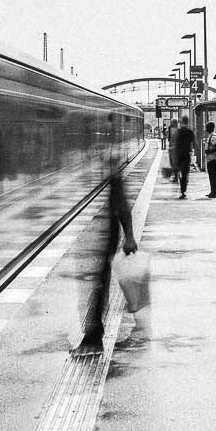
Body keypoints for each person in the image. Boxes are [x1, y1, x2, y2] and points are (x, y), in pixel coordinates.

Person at [75, 147, 139, 353]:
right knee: (98, 284)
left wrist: (129, 236)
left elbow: (121, 203)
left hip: (103, 238)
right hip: (96, 238)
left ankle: (93, 335)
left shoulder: (108, 163)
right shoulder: (103, 162)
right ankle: (93, 332)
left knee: (99, 284)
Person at [173, 116, 196, 198]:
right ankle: (183, 191)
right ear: (188, 122)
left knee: (179, 171)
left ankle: (181, 185)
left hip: (179, 155)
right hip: (186, 155)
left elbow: (175, 143)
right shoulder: (190, 131)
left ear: (182, 122)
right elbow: (194, 143)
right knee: (185, 174)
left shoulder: (178, 131)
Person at [203, 121, 216, 198]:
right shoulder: (211, 135)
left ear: (210, 128)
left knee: (213, 175)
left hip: (213, 159)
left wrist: (209, 151)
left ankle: (214, 192)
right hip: (211, 158)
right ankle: (212, 191)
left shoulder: (213, 136)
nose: (206, 128)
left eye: (207, 127)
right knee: (212, 175)